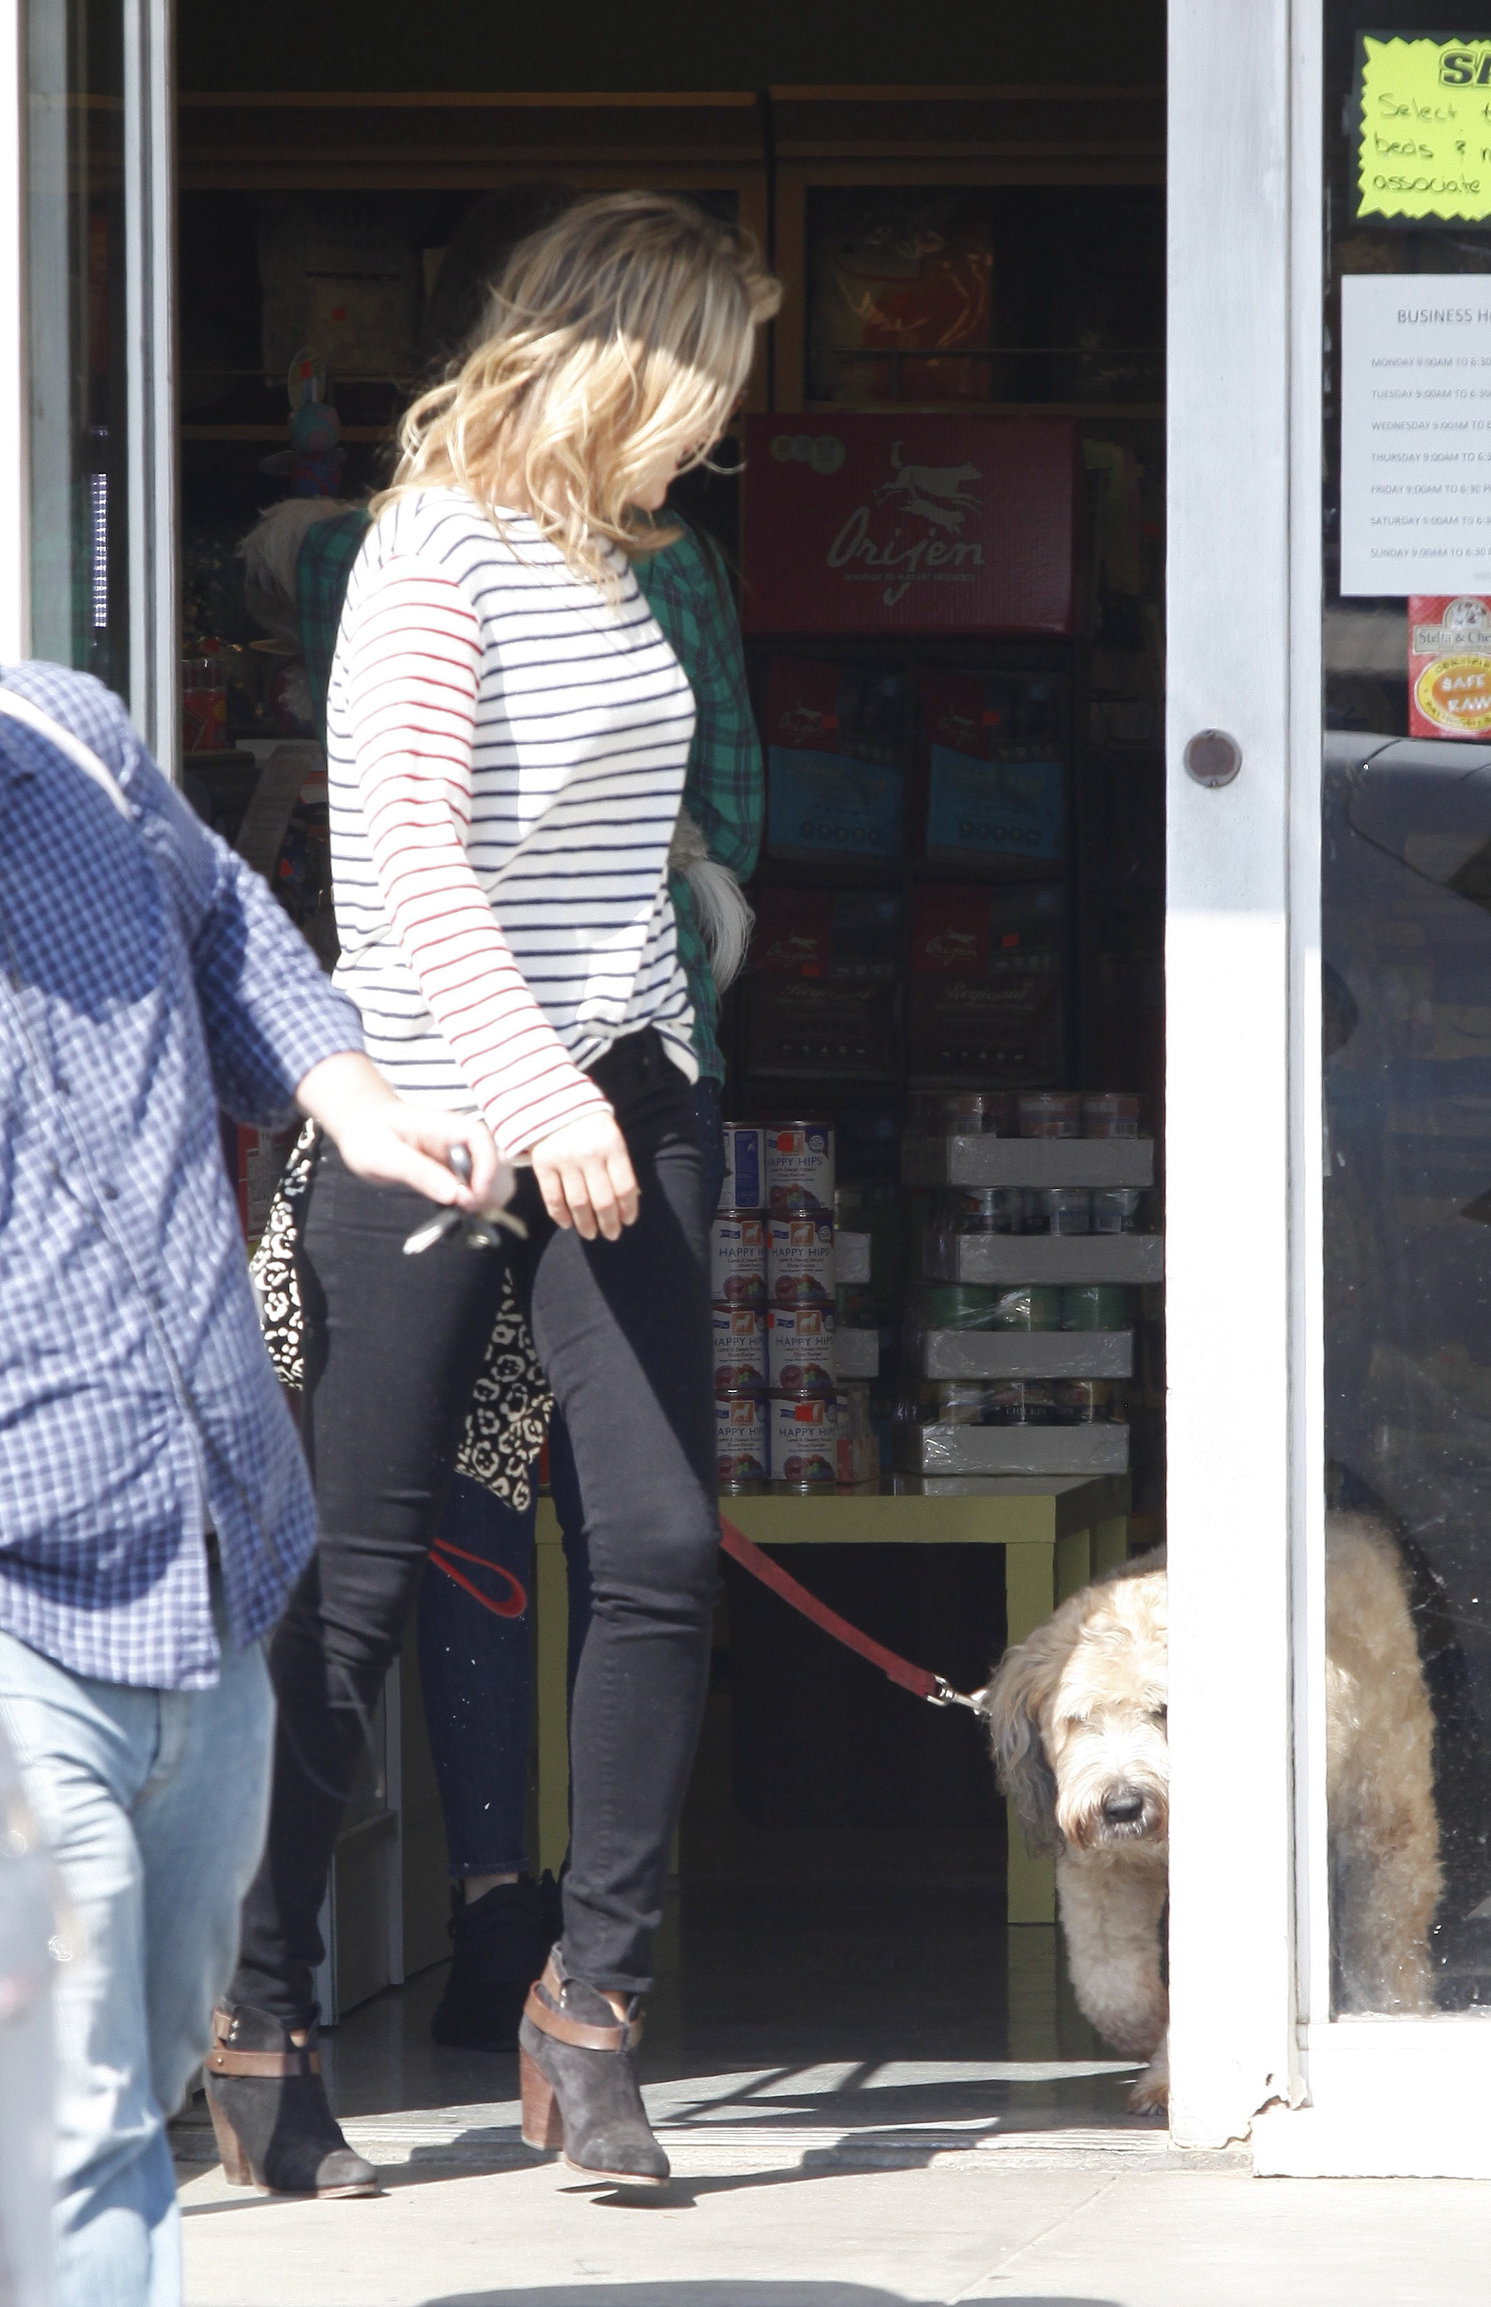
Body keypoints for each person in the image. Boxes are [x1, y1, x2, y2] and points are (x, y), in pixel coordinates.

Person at [211, 192, 780, 2193]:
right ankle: (262, 2006)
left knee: (661, 1546)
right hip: (440, 1114)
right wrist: (540, 1095)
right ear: (619, 354)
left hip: (624, 1086)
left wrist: (647, 1050)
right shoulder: (429, 549)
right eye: (708, 380)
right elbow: (409, 863)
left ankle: (588, 2001)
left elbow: (625, 860)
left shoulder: (620, 560)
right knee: (356, 1583)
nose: (719, 424)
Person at [0, 662, 505, 2305]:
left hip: (213, 1560)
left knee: (133, 2083)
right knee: (68, 2110)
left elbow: (224, 923)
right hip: (21, 1599)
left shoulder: (70, 741)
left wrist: (356, 1107)